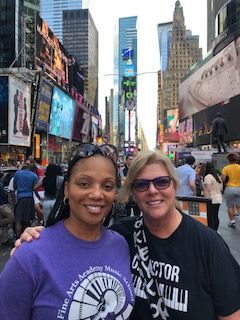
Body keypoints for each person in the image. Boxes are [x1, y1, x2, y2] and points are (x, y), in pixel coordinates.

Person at [14, 150, 240, 320]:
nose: (153, 190)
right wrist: (35, 240)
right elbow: (76, 246)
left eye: (162, 181)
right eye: (142, 185)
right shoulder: (121, 236)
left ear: (174, 186)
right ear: (132, 193)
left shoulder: (209, 245)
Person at [0, 143, 135, 320]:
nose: (97, 194)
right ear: (67, 189)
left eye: (107, 186)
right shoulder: (29, 256)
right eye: (84, 183)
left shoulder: (120, 244)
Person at [13, 164, 39, 238]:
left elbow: (14, 186)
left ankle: (18, 237)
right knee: (27, 220)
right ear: (33, 170)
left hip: (20, 198)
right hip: (30, 198)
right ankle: (27, 237)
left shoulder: (18, 173)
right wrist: (39, 198)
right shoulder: (34, 176)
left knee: (18, 220)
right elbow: (35, 188)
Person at [222, 152, 240, 228]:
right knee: (239, 205)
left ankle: (232, 221)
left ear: (228, 160)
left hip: (229, 188)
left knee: (230, 206)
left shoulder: (226, 168)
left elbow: (223, 179)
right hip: (239, 188)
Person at [203, 162, 223, 231]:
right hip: (218, 198)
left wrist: (206, 199)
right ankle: (215, 230)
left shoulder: (207, 177)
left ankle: (211, 231)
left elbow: (207, 189)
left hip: (211, 198)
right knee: (215, 216)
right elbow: (221, 188)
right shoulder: (216, 176)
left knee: (210, 216)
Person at [0, 172, 14, 246]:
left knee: (5, 222)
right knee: (11, 217)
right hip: (2, 204)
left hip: (3, 203)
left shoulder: (2, 181)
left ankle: (4, 239)